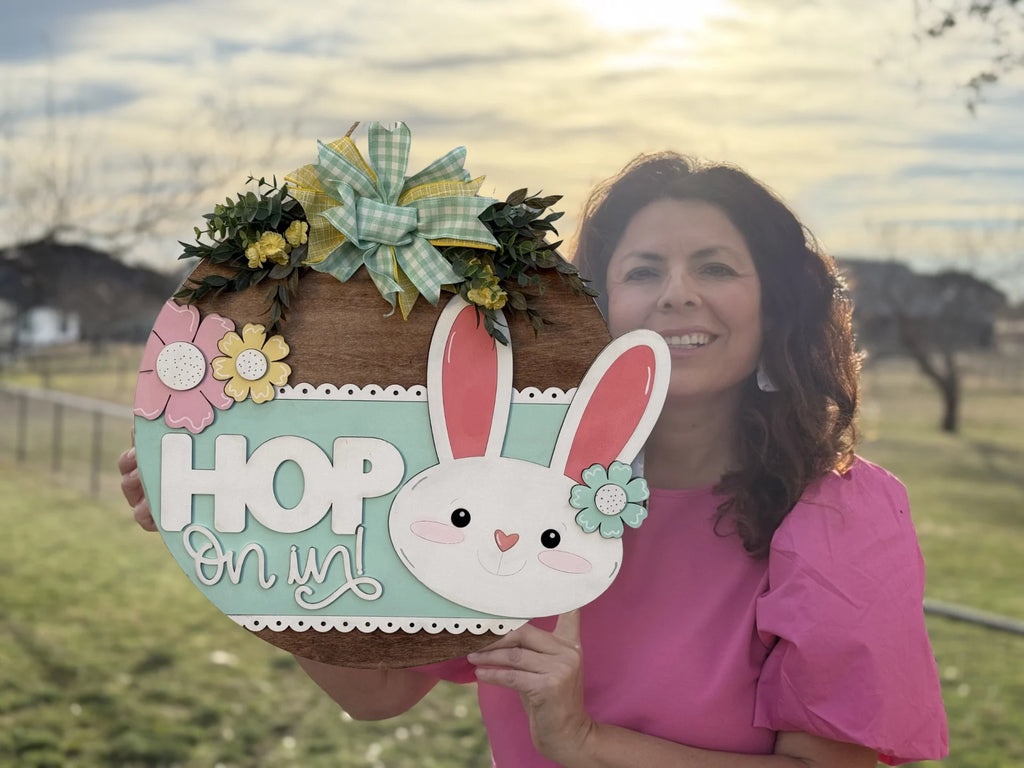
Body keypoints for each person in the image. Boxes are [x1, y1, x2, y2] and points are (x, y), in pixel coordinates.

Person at [119, 152, 949, 767]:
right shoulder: (511, 494)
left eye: (717, 268)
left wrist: (585, 742)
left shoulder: (840, 514)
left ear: (777, 306)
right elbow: (378, 691)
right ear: (598, 310)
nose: (676, 294)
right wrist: (240, 535)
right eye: (643, 270)